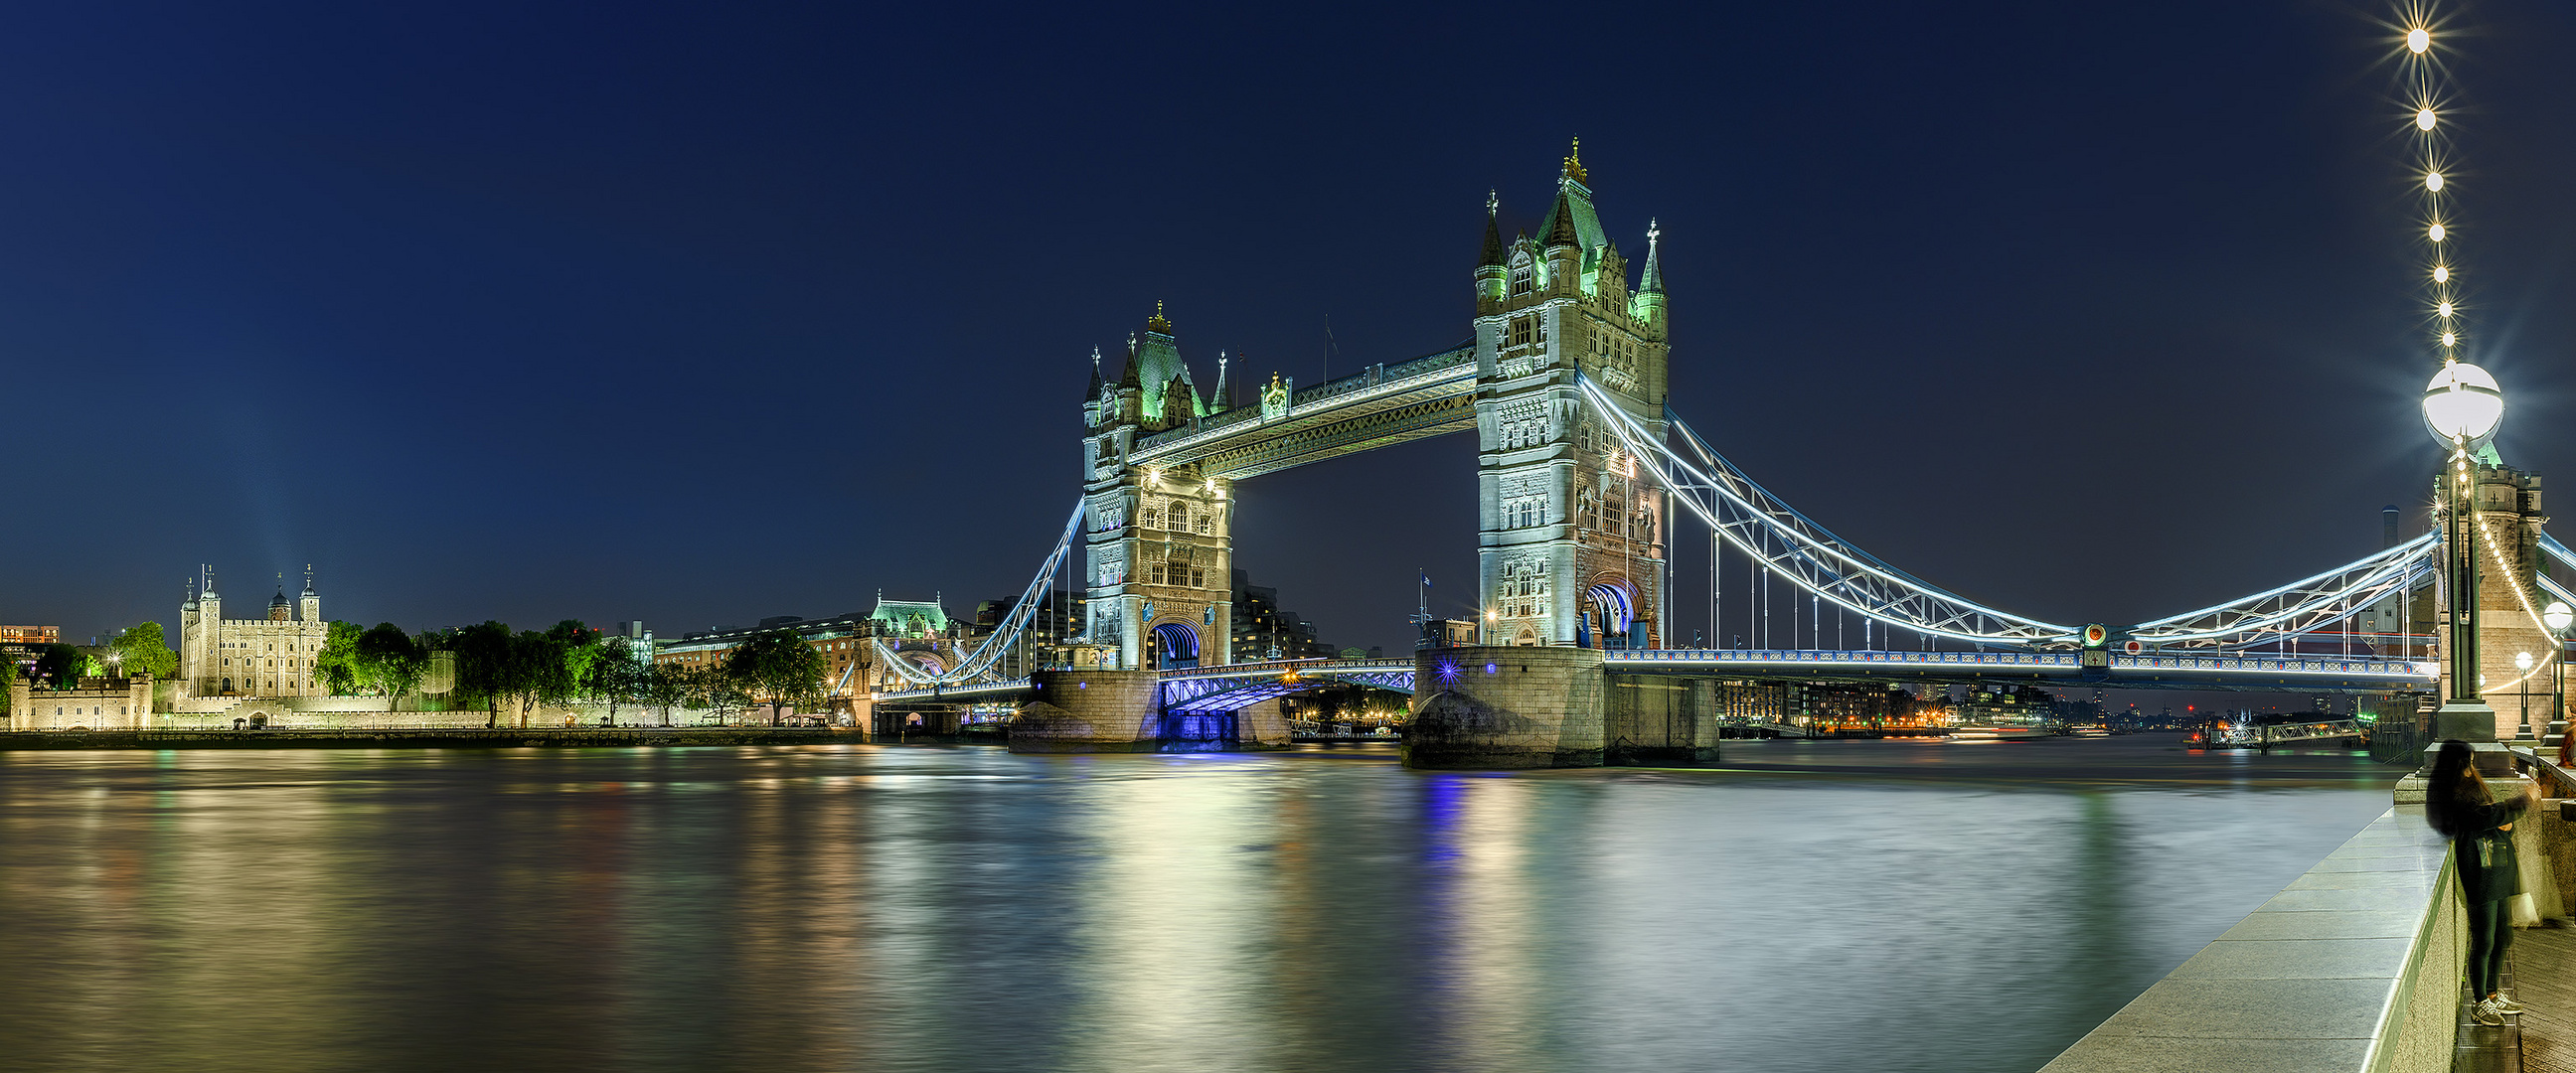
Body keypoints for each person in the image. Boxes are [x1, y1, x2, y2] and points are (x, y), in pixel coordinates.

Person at [2426, 739, 2538, 1025]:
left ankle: (2492, 993)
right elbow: (2480, 817)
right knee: (2484, 937)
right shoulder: (2452, 792)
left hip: (2497, 863)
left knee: (2502, 935)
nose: (2471, 768)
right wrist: (2522, 801)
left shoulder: (2469, 785)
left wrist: (2506, 824)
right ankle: (2479, 1002)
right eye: (2468, 762)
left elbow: (2489, 816)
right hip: (2479, 868)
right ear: (2459, 764)